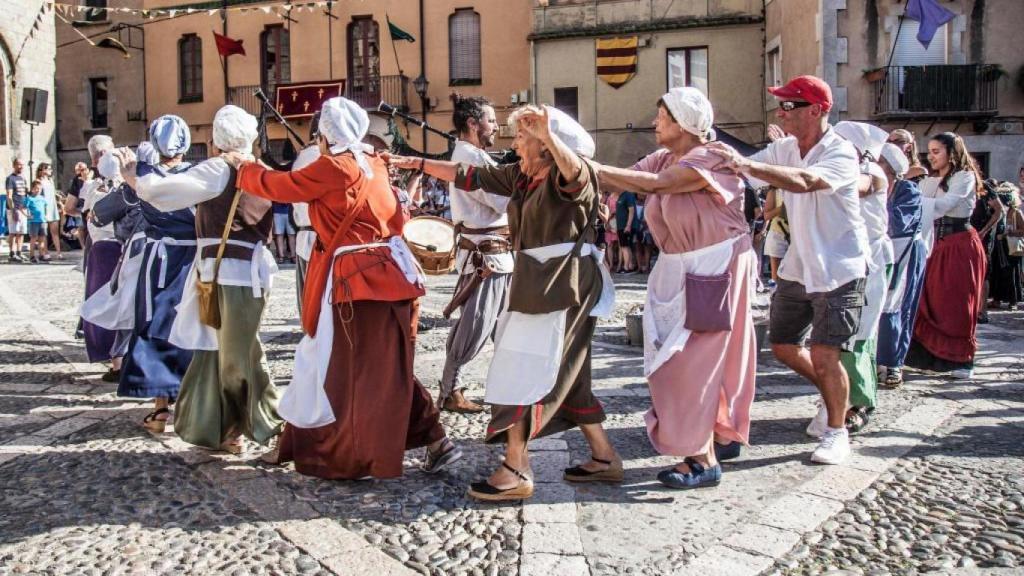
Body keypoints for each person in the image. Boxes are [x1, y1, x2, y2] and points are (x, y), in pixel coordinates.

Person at [388, 104, 620, 501]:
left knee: (522, 371)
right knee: (569, 376)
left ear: (549, 146)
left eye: (525, 139)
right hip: (537, 285)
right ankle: (604, 457)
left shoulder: (571, 177)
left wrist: (547, 135)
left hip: (561, 288)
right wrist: (416, 162)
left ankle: (516, 467)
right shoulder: (523, 176)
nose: (516, 145)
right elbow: (468, 175)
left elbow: (574, 172)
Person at [222, 96, 460, 479]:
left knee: (331, 366)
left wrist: (245, 169)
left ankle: (335, 452)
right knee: (385, 369)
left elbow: (281, 186)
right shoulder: (376, 163)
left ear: (324, 135)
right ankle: (435, 441)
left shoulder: (334, 167)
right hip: (393, 277)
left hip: (356, 282)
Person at [594, 87, 756, 489]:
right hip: (682, 267)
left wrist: (580, 163)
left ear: (683, 124)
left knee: (690, 361)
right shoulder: (667, 156)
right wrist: (578, 165)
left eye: (661, 117)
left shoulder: (712, 157)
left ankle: (702, 458)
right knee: (692, 358)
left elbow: (658, 185)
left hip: (714, 266)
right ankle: (717, 433)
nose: (654, 123)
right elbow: (628, 179)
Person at [708, 75, 869, 465]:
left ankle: (836, 432)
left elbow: (805, 181)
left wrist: (745, 163)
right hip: (799, 266)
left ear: (816, 110)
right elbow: (744, 169)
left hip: (839, 268)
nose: (781, 112)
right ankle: (839, 401)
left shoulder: (840, 152)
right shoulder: (784, 147)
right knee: (782, 346)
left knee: (826, 355)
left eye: (790, 105)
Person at [118, 105, 283, 454]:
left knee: (236, 354)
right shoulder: (260, 170)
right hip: (240, 272)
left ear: (215, 140)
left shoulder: (219, 168)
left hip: (225, 272)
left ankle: (262, 425)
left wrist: (136, 179)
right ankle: (222, 426)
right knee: (217, 350)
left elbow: (166, 193)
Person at [117, 115, 198, 433]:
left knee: (155, 323)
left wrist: (129, 177)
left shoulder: (143, 175)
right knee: (189, 325)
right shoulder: (196, 175)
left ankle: (161, 408)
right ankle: (190, 402)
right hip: (191, 258)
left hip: (159, 260)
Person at [438, 95, 512, 414]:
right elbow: (505, 202)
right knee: (475, 325)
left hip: (495, 252)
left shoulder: (474, 156)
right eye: (491, 120)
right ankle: (449, 390)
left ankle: (510, 387)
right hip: (487, 256)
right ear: (472, 124)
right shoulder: (474, 160)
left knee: (504, 325)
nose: (496, 125)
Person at [820, 121, 891, 435]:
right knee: (841, 332)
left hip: (871, 260)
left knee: (859, 333)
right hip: (844, 259)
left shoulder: (872, 173)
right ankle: (842, 398)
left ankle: (859, 402)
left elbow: (853, 186)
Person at [904, 132, 987, 379]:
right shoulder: (929, 181)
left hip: (959, 246)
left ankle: (961, 362)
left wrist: (917, 201)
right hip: (934, 245)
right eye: (928, 152)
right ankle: (929, 359)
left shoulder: (965, 177)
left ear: (951, 153)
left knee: (956, 305)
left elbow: (946, 204)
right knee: (929, 301)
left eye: (936, 151)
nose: (930, 157)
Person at [876, 142, 926, 389]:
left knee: (897, 307)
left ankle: (893, 362)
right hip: (880, 252)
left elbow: (898, 223)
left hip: (904, 253)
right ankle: (877, 360)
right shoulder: (873, 188)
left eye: (878, 163)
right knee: (876, 306)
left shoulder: (908, 190)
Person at [78, 135, 124, 378]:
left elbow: (91, 217)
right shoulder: (123, 188)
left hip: (103, 249)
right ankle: (120, 358)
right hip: (120, 248)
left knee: (103, 302)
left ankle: (115, 360)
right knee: (119, 302)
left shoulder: (93, 188)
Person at [974, 180, 1004, 323]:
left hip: (983, 237)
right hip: (966, 234)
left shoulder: (984, 186)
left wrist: (984, 231)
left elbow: (999, 211)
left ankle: (982, 311)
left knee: (984, 272)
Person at [989, 182, 1023, 310]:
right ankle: (996, 299)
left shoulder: (1015, 212)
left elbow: (1023, 229)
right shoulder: (997, 211)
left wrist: (1010, 232)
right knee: (997, 273)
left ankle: (1013, 301)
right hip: (998, 246)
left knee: (1010, 274)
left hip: (1010, 247)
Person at [35, 163, 60, 261]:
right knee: (44, 232)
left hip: (52, 207)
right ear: (43, 170)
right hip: (44, 207)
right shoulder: (38, 181)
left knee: (55, 231)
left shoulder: (50, 180)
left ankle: (58, 252)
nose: (51, 170)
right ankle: (45, 252)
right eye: (49, 169)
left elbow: (53, 194)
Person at [6, 158, 28, 262]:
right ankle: (12, 253)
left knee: (21, 232)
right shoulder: (10, 178)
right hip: (14, 208)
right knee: (13, 232)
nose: (21, 167)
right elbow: (9, 195)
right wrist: (13, 209)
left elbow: (25, 193)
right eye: (19, 164)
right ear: (14, 165)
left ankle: (19, 252)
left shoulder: (23, 178)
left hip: (23, 208)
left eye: (22, 165)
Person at [615, 189, 638, 274]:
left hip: (626, 226)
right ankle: (629, 266)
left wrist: (628, 225)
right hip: (621, 226)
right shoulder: (621, 195)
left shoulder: (628, 194)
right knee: (625, 246)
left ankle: (626, 267)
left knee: (625, 246)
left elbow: (631, 210)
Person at [25, 179, 48, 264]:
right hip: (34, 221)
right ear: (32, 189)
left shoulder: (42, 198)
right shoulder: (30, 199)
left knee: (42, 238)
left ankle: (41, 255)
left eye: (39, 189)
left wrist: (46, 215)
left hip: (42, 221)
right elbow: (24, 207)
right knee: (33, 238)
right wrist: (27, 215)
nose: (38, 190)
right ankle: (31, 256)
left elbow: (45, 206)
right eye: (36, 188)